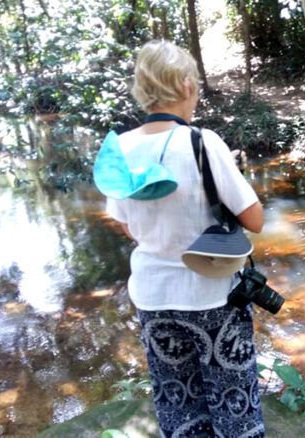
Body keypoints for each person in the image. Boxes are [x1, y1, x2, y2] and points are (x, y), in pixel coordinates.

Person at [103, 40, 265, 437]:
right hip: (212, 295)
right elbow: (254, 219)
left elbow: (126, 224)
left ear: (143, 90)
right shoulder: (201, 142)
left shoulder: (119, 150)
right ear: (188, 87)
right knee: (233, 403)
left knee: (178, 401)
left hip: (154, 297)